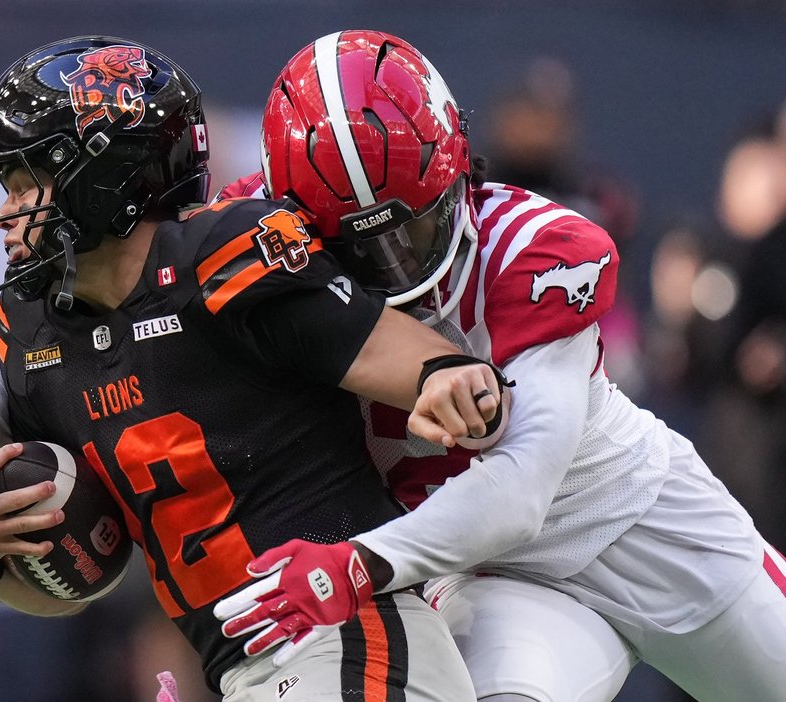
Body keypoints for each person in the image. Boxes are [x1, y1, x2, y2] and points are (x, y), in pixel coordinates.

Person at [0, 35, 510, 701]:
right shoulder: (39, 328)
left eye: (22, 187)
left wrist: (450, 382)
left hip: (350, 637)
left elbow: (415, 360)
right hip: (244, 674)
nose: (6, 218)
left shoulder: (225, 257)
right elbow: (73, 584)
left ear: (101, 177)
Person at [211, 30, 786, 702]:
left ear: (459, 167)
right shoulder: (248, 254)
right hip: (499, 577)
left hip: (646, 526)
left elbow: (521, 488)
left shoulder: (529, 248)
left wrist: (358, 563)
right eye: (357, 252)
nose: (396, 269)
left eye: (413, 232)